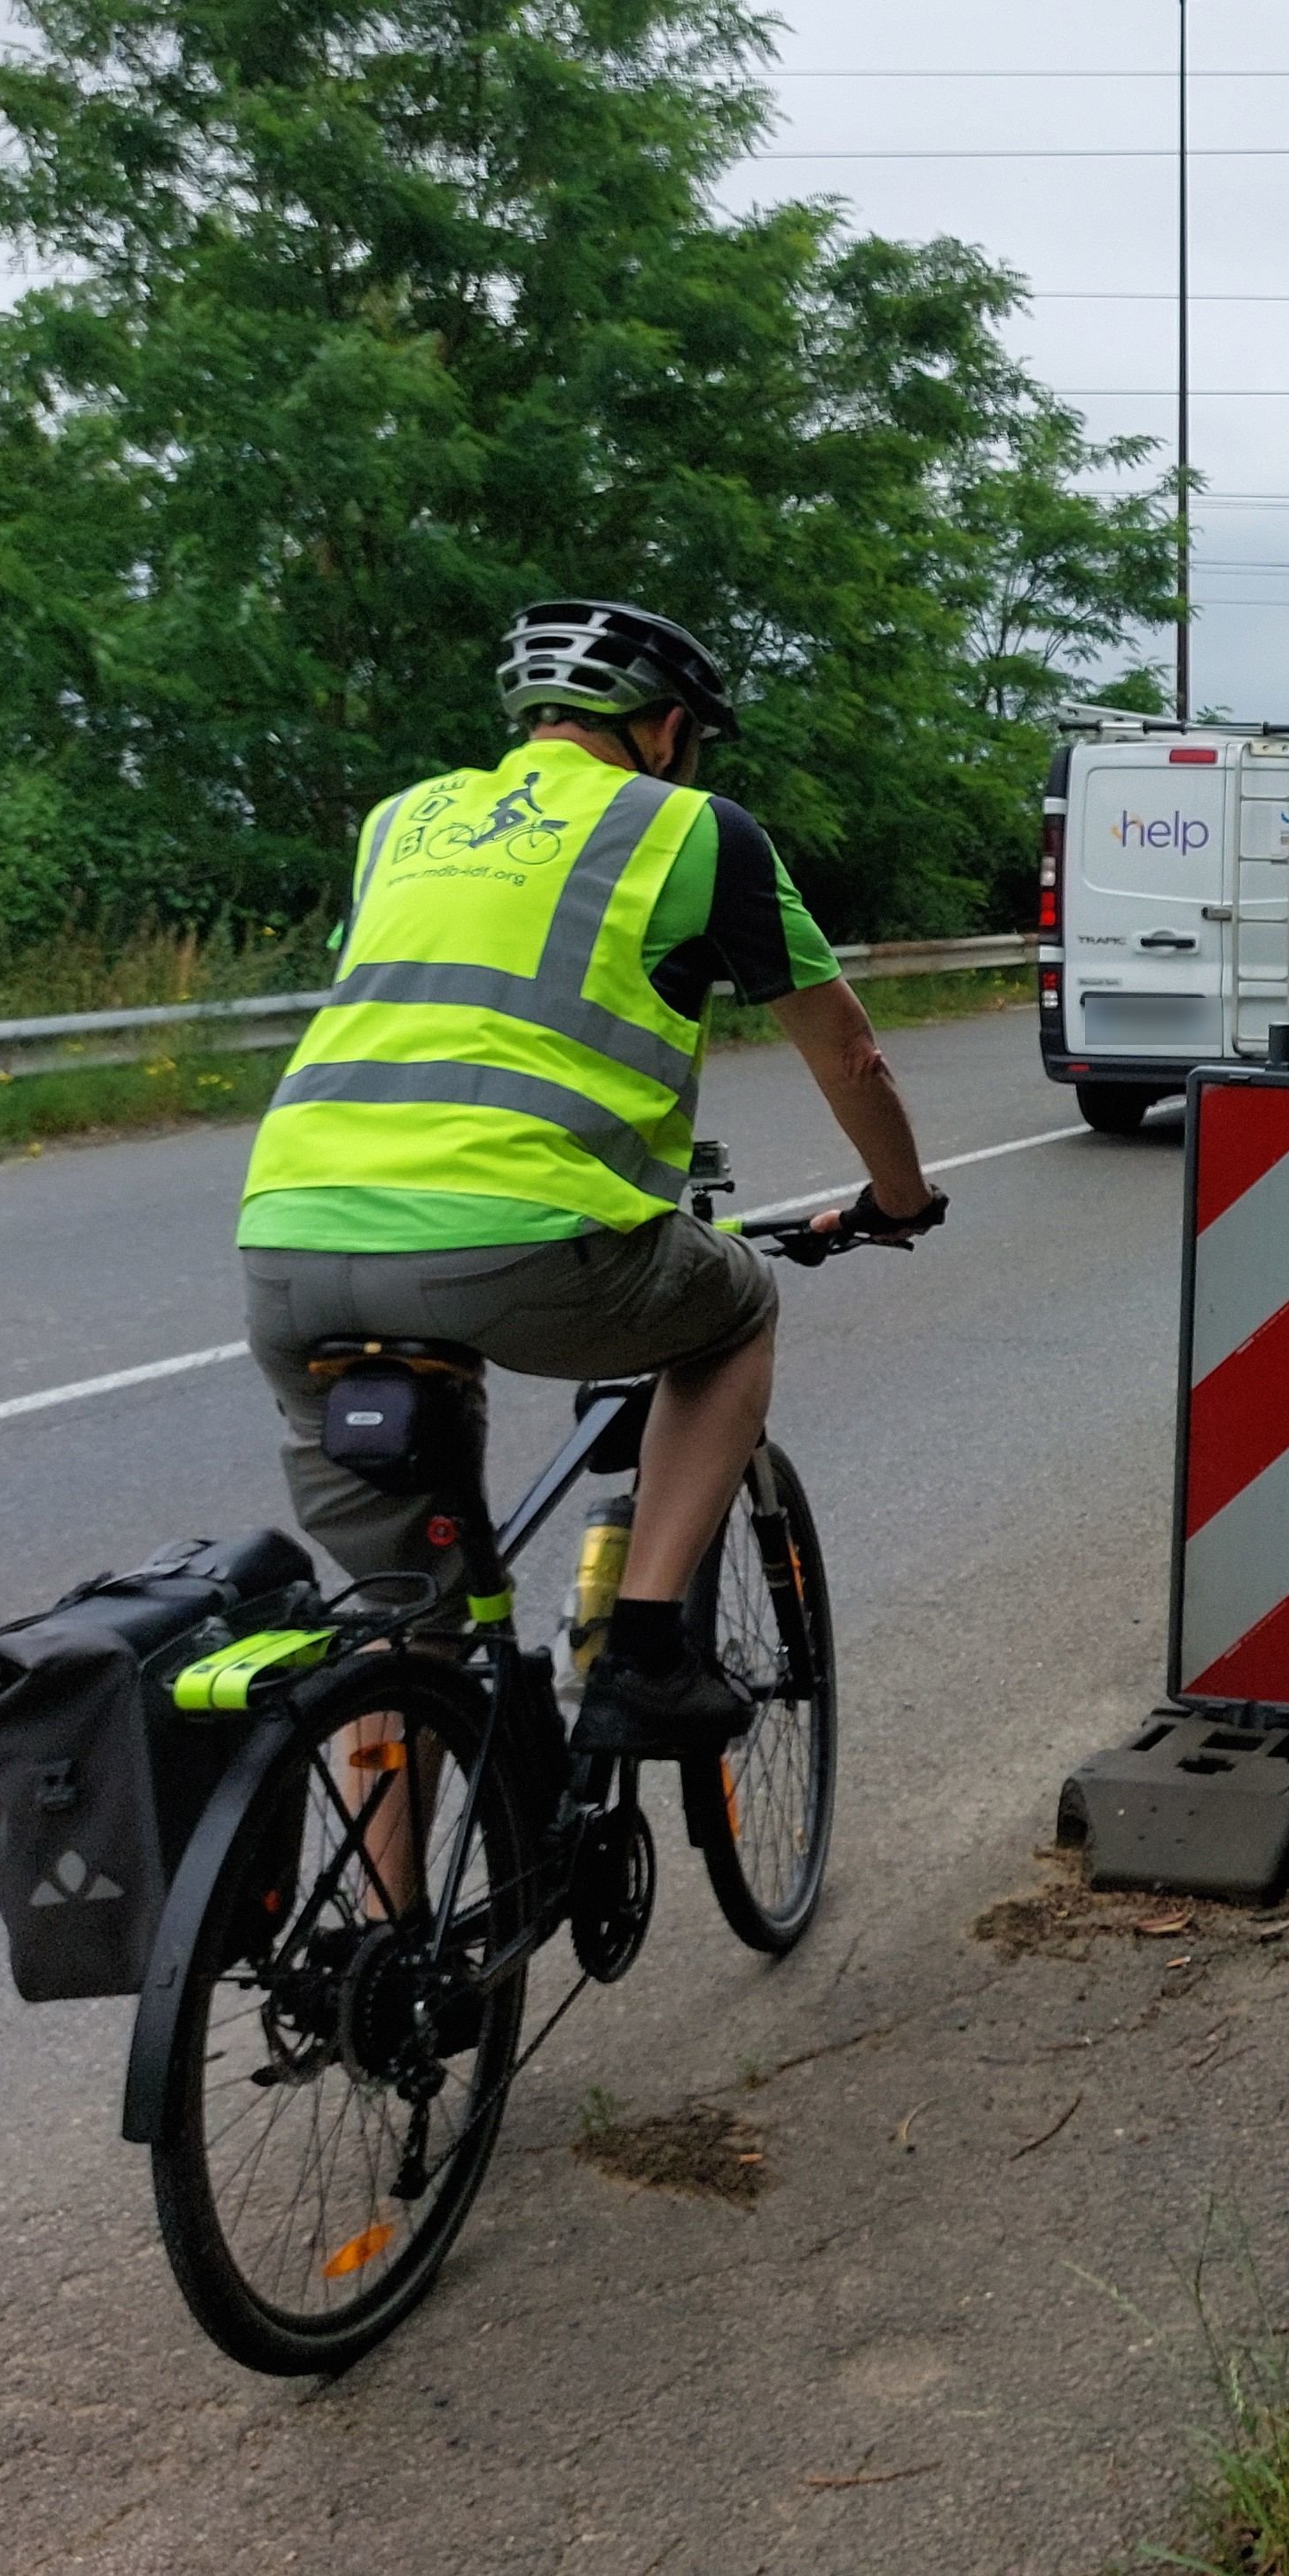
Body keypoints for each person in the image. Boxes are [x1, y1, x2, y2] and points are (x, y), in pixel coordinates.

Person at [235, 601, 947, 1755]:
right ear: (665, 730)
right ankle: (646, 1648)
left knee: (400, 1627)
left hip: (287, 1244)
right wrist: (901, 1198)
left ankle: (396, 1930)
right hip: (523, 1240)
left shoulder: (398, 824)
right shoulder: (689, 832)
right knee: (735, 1315)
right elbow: (850, 1051)